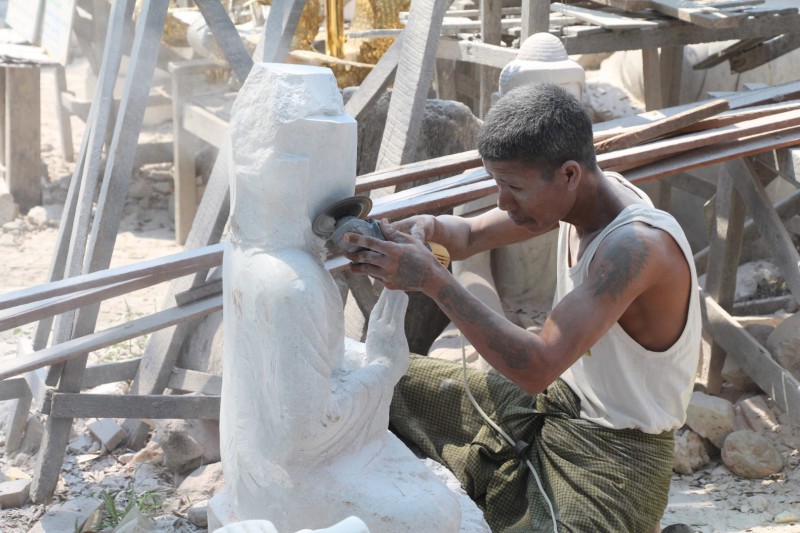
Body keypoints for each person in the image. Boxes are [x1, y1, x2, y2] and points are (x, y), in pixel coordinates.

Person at [343, 83, 701, 533]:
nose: (503, 202)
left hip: (616, 454)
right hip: (551, 406)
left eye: (514, 187)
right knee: (376, 381)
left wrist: (433, 280)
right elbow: (470, 234)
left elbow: (538, 366)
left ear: (570, 174)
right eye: (497, 184)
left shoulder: (635, 248)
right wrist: (427, 227)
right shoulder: (577, 202)